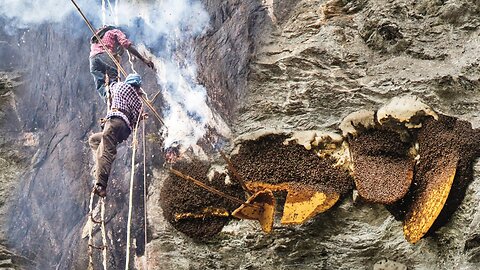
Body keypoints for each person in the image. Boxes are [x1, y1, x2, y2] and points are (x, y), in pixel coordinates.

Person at [89, 73, 146, 197]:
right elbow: (136, 121)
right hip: (124, 130)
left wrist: (108, 79)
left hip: (116, 121)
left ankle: (101, 185)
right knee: (94, 140)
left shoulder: (121, 86)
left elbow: (110, 86)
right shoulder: (139, 102)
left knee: (105, 151)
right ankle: (102, 160)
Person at [89, 25, 154, 103]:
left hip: (92, 60)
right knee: (113, 78)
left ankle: (107, 99)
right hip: (104, 55)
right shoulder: (115, 31)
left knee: (100, 82)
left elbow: (119, 51)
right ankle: (115, 99)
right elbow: (126, 45)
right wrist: (144, 59)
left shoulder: (99, 36)